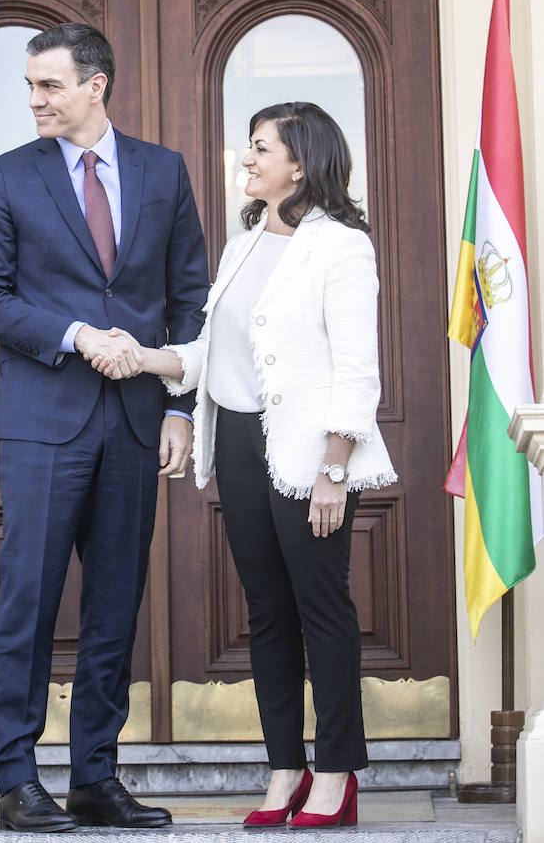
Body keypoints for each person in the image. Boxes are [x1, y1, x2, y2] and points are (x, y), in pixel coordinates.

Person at [88, 102, 396, 831]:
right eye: (249, 148)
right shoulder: (241, 246)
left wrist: (334, 467)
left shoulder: (342, 246)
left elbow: (357, 367)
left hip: (308, 453)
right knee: (266, 614)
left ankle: (337, 773)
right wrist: (143, 356)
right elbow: (208, 356)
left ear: (301, 161)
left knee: (323, 609)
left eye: (261, 148)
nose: (247, 160)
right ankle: (285, 767)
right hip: (238, 445)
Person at [0, 22, 208, 833]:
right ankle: (16, 779)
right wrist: (77, 337)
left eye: (49, 85)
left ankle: (96, 776)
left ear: (95, 86)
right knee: (27, 601)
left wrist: (178, 407)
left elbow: (189, 299)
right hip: (43, 424)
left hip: (137, 425)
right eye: (31, 86)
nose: (35, 100)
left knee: (114, 603)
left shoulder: (163, 172)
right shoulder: (5, 177)